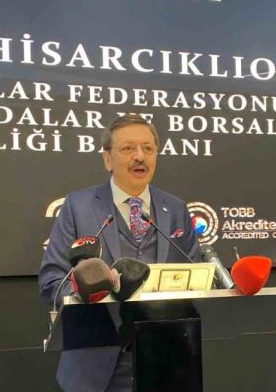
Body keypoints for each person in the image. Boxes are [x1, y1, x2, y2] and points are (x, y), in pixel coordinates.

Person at [38, 114, 200, 392]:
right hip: (95, 364)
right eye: (127, 148)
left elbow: (195, 275)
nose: (140, 156)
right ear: (107, 159)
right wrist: (91, 287)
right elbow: (51, 283)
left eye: (148, 148)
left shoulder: (175, 209)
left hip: (168, 360)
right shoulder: (78, 206)